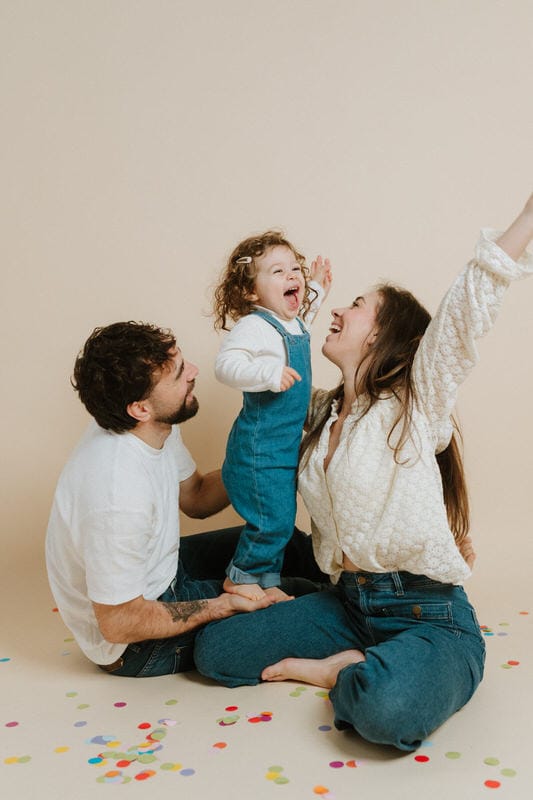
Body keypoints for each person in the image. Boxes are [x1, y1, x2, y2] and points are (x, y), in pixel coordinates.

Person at [194, 192, 533, 751]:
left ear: (379, 334)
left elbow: (466, 311)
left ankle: (342, 671)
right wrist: (196, 491)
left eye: (354, 305)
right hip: (347, 603)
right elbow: (262, 446)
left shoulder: (415, 402)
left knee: (387, 708)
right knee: (218, 652)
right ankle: (336, 632)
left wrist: (525, 219)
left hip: (427, 615)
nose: (336, 310)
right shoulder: (321, 411)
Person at [45, 321, 324, 678]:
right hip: (134, 641)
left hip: (160, 571)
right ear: (140, 408)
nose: (193, 372)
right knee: (291, 594)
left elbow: (196, 498)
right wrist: (219, 606)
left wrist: (260, 457)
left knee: (289, 547)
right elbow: (118, 622)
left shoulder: (152, 425)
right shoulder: (116, 493)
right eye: (178, 374)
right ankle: (360, 619)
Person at [213, 231, 332, 601]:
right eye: (278, 272)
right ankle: (242, 577)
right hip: (258, 449)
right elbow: (225, 366)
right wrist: (266, 375)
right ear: (251, 293)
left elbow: (303, 315)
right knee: (272, 520)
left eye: (294, 269)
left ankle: (267, 581)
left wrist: (315, 285)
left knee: (281, 516)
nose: (292, 276)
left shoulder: (290, 320)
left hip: (282, 448)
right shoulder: (255, 326)